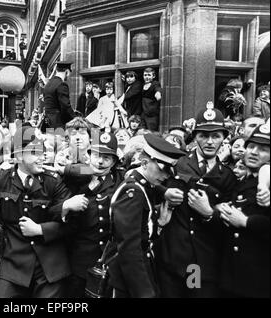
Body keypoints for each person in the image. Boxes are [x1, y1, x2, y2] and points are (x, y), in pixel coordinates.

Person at [0, 125, 82, 298]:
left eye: (43, 152)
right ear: (18, 156)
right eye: (35, 153)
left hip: (50, 268)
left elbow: (74, 223)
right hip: (14, 267)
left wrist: (41, 230)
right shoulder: (3, 178)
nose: (42, 157)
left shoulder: (53, 181)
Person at [154, 102, 237, 298]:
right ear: (195, 137)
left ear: (224, 139)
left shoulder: (227, 176)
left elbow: (230, 222)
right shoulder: (177, 164)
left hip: (199, 262)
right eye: (203, 136)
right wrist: (164, 192)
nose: (210, 141)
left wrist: (209, 213)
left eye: (216, 136)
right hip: (171, 257)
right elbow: (147, 184)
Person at [108, 134, 186, 298]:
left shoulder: (144, 185)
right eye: (162, 170)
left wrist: (157, 226)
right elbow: (129, 248)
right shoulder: (133, 192)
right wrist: (144, 292)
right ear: (144, 163)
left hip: (141, 267)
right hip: (128, 278)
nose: (166, 176)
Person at [61, 130, 124, 297]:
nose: (101, 161)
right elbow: (66, 171)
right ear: (89, 156)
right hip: (80, 260)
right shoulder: (81, 175)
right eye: (96, 155)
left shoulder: (119, 179)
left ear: (114, 161)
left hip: (109, 259)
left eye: (107, 157)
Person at [218, 123, 270, 297]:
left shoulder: (265, 185)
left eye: (263, 149)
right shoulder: (241, 181)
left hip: (259, 282)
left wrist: (245, 221)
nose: (254, 152)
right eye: (251, 146)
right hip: (232, 278)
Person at [43, 61, 76, 130]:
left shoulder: (48, 84)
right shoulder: (61, 84)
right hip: (58, 124)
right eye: (69, 73)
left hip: (48, 123)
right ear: (66, 71)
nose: (68, 76)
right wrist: (76, 119)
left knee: (51, 140)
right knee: (60, 141)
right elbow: (65, 106)